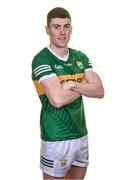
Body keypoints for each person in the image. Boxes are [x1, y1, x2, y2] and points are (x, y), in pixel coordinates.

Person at [32, 7, 104, 180]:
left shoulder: (81, 57)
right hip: (56, 137)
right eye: (56, 27)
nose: (62, 32)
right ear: (47, 30)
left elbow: (100, 91)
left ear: (71, 28)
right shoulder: (42, 59)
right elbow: (57, 99)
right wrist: (84, 85)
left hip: (81, 134)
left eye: (66, 26)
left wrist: (71, 85)